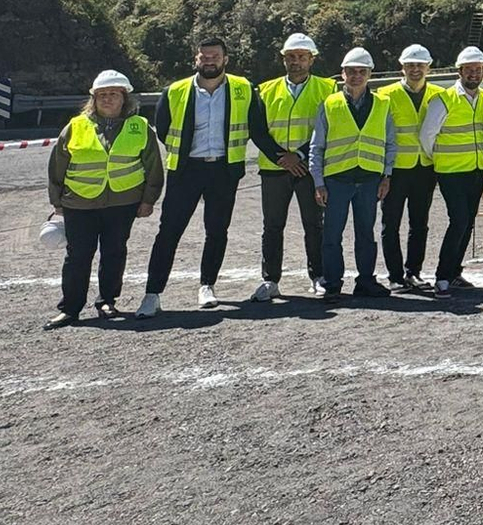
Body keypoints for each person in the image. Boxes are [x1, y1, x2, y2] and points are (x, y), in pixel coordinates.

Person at [138, 37, 287, 317]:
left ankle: (207, 285)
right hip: (185, 170)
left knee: (216, 231)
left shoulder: (243, 88)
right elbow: (163, 129)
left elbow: (258, 130)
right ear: (196, 59)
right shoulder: (174, 91)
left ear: (225, 59)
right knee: (169, 232)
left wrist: (282, 156)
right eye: (204, 56)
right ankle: (152, 294)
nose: (209, 60)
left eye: (215, 56)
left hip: (223, 170)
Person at [44, 70, 162, 328]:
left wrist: (148, 200)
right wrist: (57, 203)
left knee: (114, 253)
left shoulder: (140, 127)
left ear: (124, 98)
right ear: (94, 99)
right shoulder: (76, 126)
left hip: (123, 203)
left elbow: (153, 166)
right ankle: (70, 308)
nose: (107, 99)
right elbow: (57, 167)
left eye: (113, 94)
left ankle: (107, 300)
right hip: (79, 204)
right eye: (102, 95)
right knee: (77, 256)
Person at [310, 47, 396, 302]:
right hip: (337, 180)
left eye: (362, 71)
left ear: (370, 74)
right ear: (342, 74)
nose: (356, 76)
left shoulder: (383, 104)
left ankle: (366, 281)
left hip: (370, 180)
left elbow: (390, 143)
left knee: (365, 235)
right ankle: (333, 283)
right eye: (351, 72)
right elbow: (317, 146)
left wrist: (386, 175)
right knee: (332, 235)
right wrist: (318, 182)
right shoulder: (329, 104)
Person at [254, 32, 333, 300]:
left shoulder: (328, 89)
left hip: (310, 168)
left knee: (314, 224)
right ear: (283, 59)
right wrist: (282, 157)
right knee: (272, 226)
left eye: (301, 57)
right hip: (274, 169)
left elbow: (327, 128)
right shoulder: (265, 90)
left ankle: (318, 276)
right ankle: (270, 280)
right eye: (291, 57)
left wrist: (299, 155)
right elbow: (258, 130)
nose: (296, 62)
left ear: (312, 59)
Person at [419, 45, 483, 298]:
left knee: (467, 223)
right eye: (469, 70)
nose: (473, 74)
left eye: (478, 70)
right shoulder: (444, 99)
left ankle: (454, 272)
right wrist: (439, 159)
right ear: (459, 71)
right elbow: (427, 135)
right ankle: (442, 276)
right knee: (459, 221)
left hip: (476, 170)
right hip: (451, 172)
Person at [377, 43, 442, 289]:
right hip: (396, 170)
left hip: (425, 167)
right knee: (390, 223)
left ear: (429, 67)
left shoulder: (438, 94)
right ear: (402, 67)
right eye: (410, 65)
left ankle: (413, 271)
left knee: (419, 223)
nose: (415, 69)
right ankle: (394, 276)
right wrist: (385, 171)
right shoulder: (385, 94)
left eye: (420, 65)